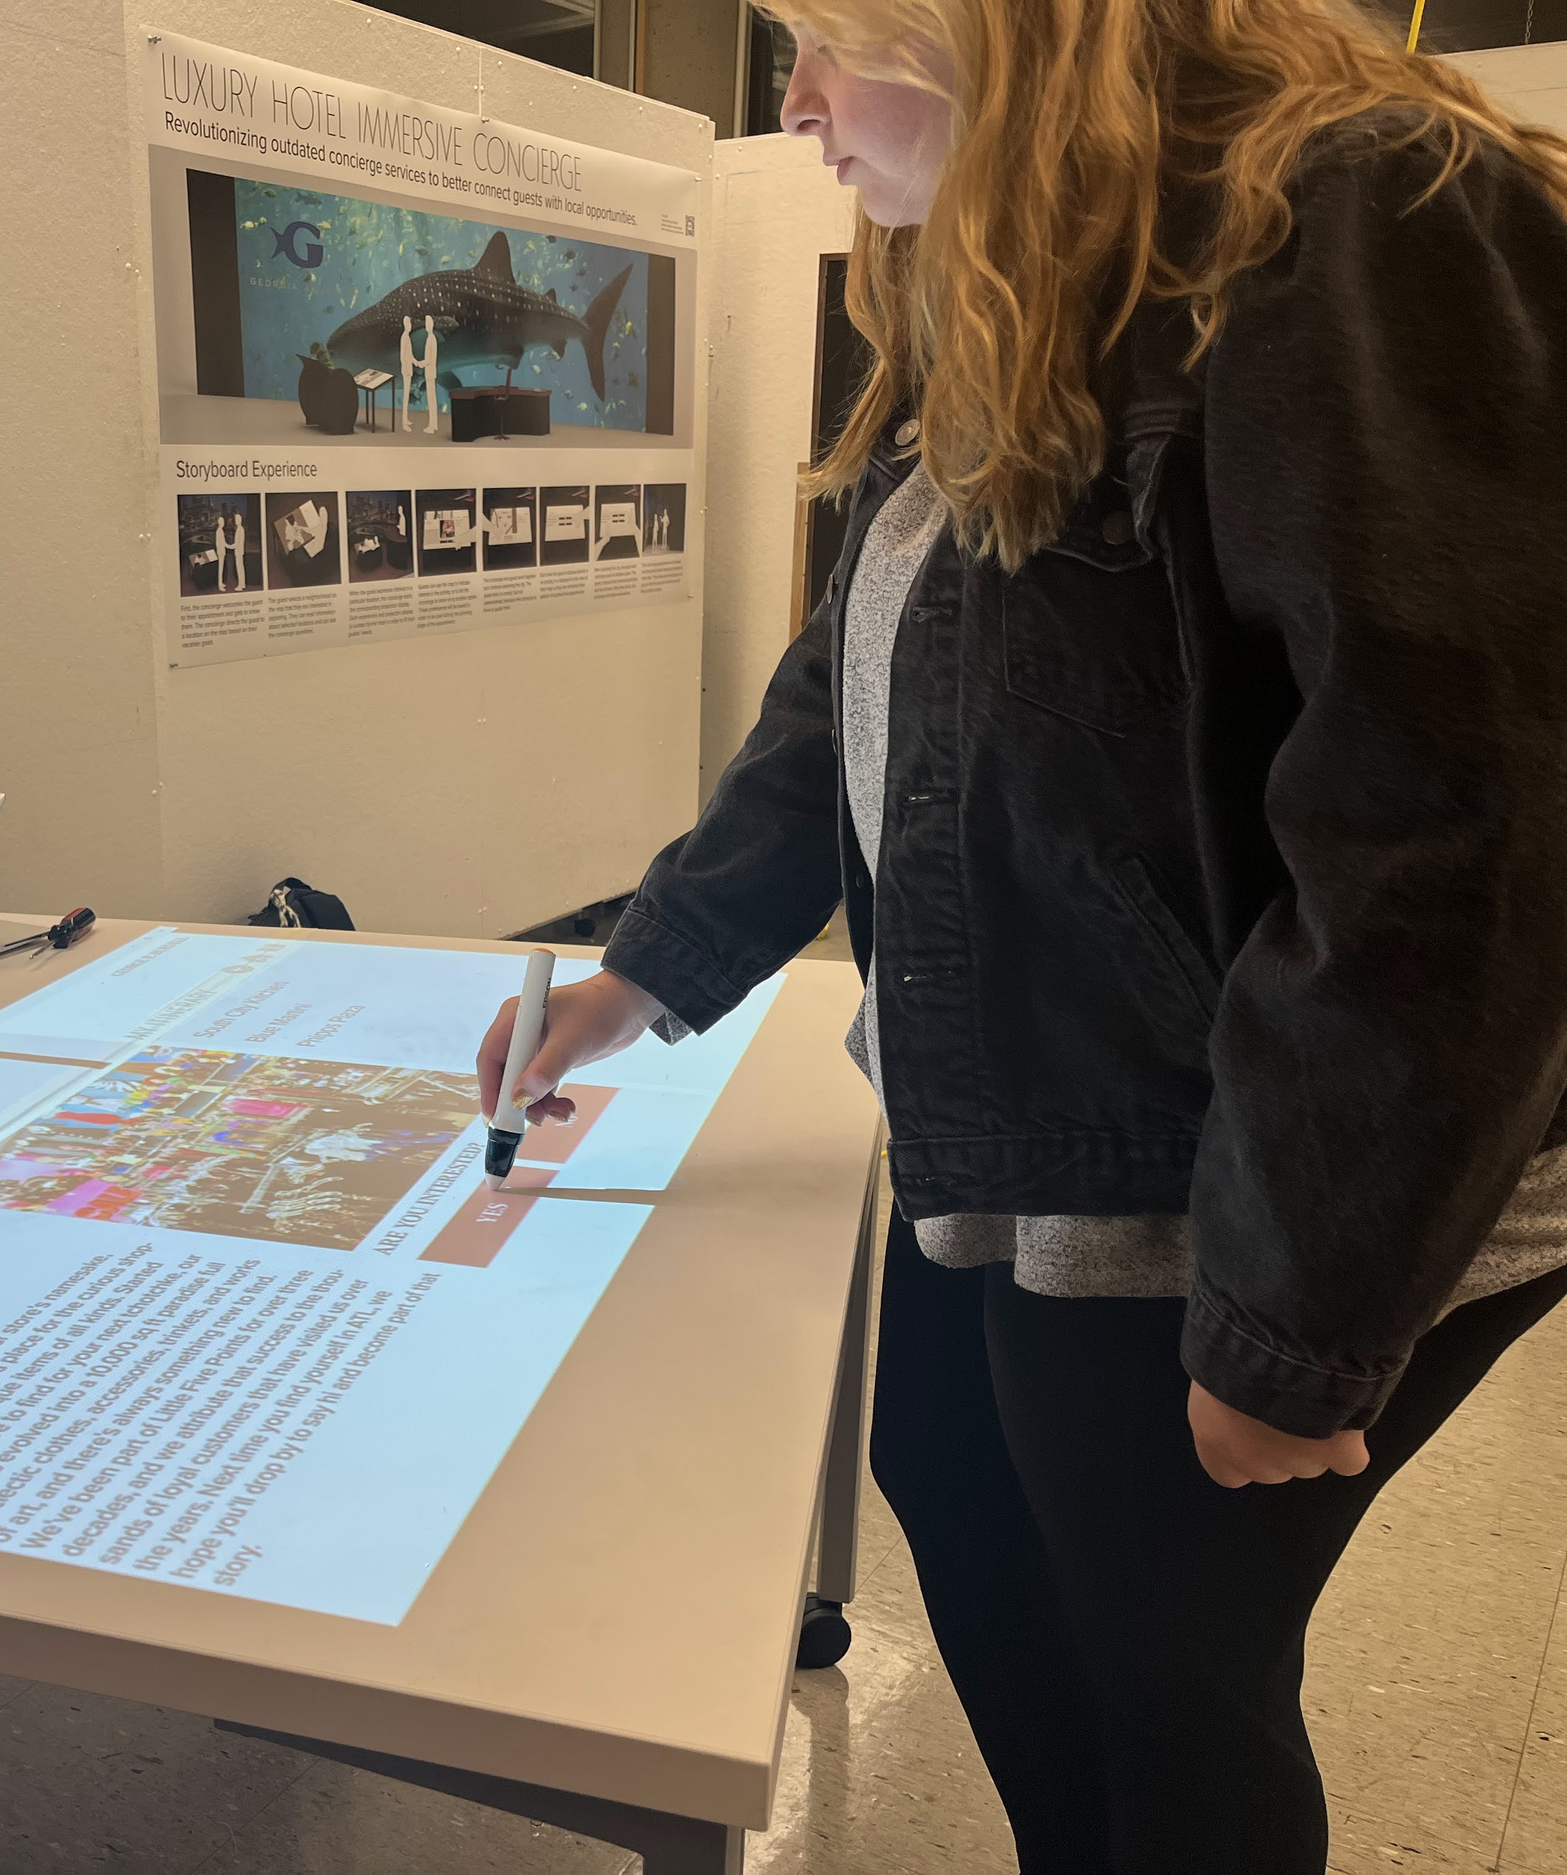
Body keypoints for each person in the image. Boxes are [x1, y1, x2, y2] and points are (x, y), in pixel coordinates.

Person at [474, 1, 1567, 1869]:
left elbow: (1460, 830)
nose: (794, 105)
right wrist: (639, 975)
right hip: (1036, 1113)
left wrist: (1296, 1314)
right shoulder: (1020, 277)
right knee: (959, 1489)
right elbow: (851, 689)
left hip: (1247, 1161)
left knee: (1171, 1673)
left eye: (822, 41)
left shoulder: (1356, 207)